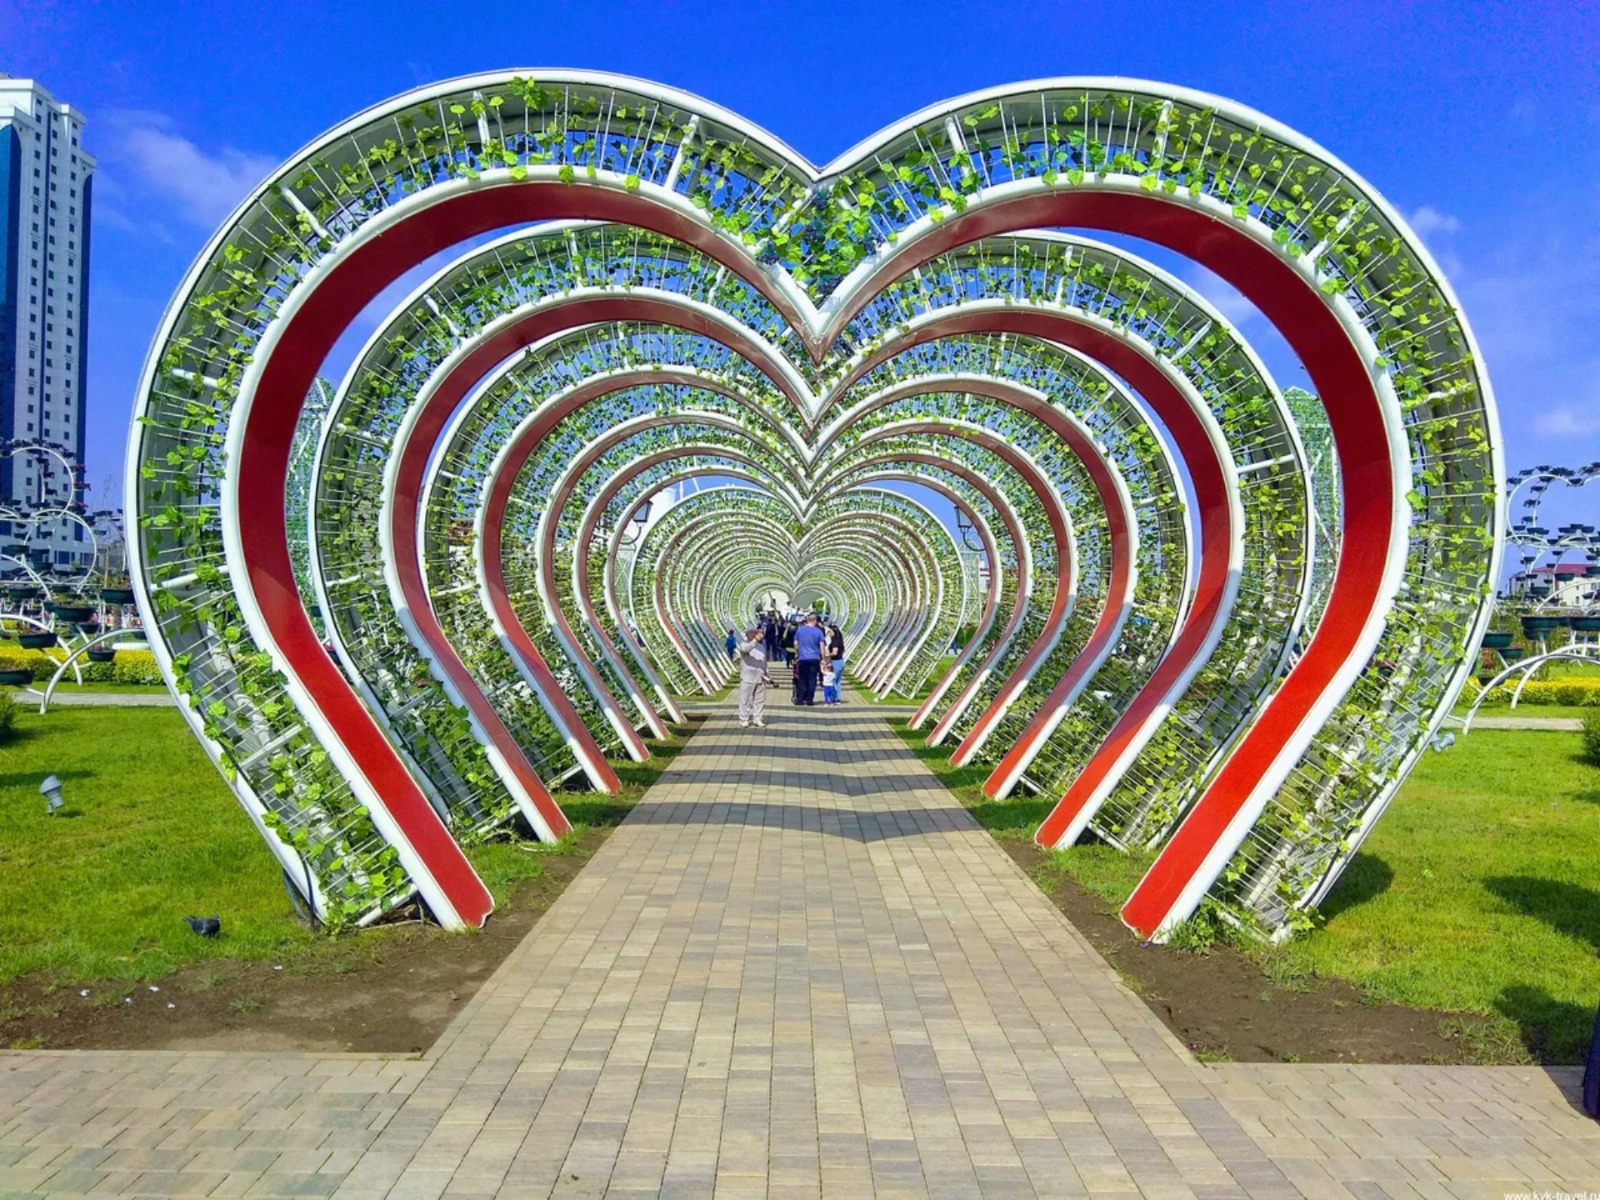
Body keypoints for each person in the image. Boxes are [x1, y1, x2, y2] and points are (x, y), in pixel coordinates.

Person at [734, 626, 768, 728]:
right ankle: (744, 719)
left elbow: (764, 661)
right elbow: (746, 649)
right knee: (745, 699)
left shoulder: (761, 647)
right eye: (751, 632)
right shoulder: (744, 644)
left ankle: (758, 718)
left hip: (760, 676)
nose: (753, 634)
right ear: (747, 634)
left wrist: (767, 674)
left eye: (755, 632)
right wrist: (755, 640)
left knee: (759, 700)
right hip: (747, 677)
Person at [792, 614, 825, 705]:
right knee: (812, 679)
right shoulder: (819, 631)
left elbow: (795, 644)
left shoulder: (800, 630)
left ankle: (800, 699)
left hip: (803, 658)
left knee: (802, 679)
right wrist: (823, 658)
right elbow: (822, 646)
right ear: (815, 621)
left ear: (807, 620)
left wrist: (798, 652)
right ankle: (809, 700)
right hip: (815, 658)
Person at [826, 622, 846, 703]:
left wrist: (826, 655)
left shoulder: (835, 641)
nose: (828, 633)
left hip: (836, 662)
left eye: (829, 631)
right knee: (837, 681)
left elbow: (834, 652)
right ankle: (837, 698)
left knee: (833, 681)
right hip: (840, 662)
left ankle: (834, 698)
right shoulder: (839, 640)